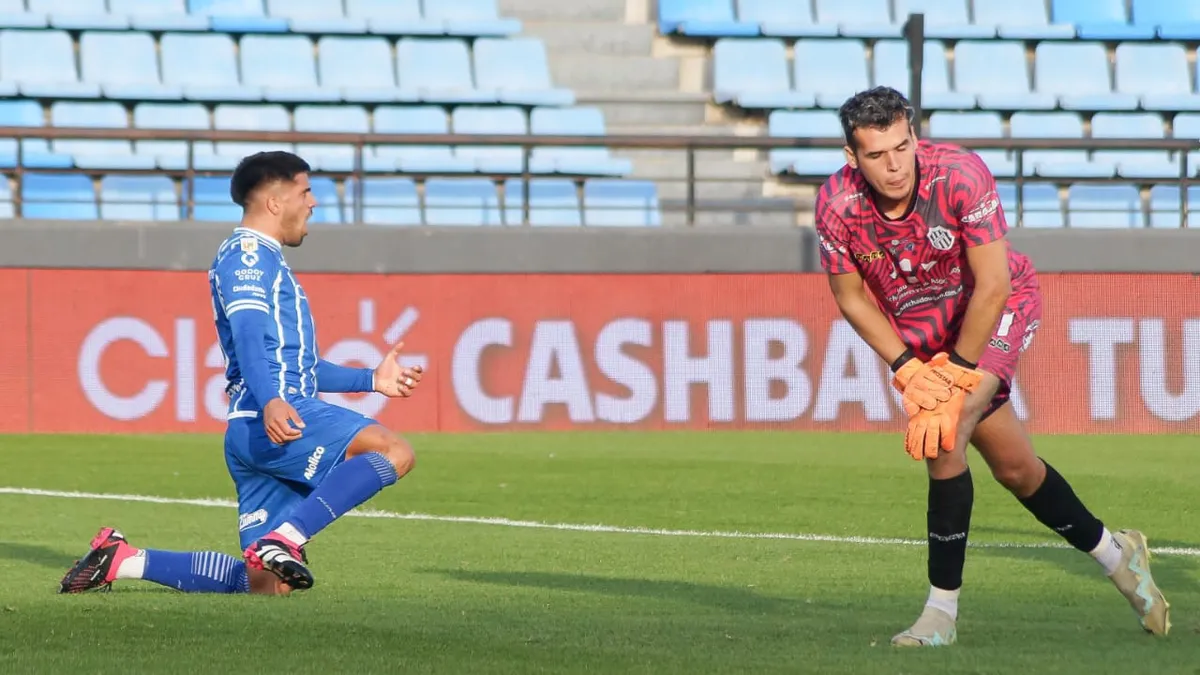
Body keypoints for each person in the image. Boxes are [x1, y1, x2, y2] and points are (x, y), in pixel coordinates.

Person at [814, 86, 1170, 646]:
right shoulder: (837, 204)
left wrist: (953, 375)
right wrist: (907, 368)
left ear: (913, 133)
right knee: (1016, 469)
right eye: (878, 155)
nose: (895, 165)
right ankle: (1115, 553)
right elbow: (852, 297)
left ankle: (941, 615)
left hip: (997, 307)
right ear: (851, 157)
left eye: (902, 147)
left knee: (945, 432)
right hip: (926, 337)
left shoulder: (959, 174)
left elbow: (995, 282)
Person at [59, 151, 423, 596]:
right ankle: (284, 538)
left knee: (266, 586)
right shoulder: (249, 255)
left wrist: (370, 380)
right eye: (305, 192)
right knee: (393, 451)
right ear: (274, 201)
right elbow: (250, 333)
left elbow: (299, 368)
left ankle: (125, 560)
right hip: (276, 418)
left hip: (258, 423)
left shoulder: (263, 260)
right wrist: (271, 398)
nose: (313, 203)